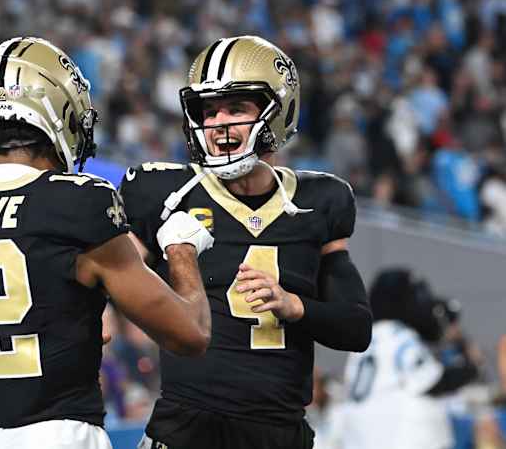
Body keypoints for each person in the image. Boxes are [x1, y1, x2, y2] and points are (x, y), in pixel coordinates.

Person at [0, 37, 214, 449]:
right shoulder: (75, 203)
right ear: (56, 113)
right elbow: (190, 334)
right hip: (60, 434)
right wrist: (182, 251)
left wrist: (68, 328)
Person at [120, 35, 372, 449]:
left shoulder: (318, 201)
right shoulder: (166, 193)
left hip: (279, 433)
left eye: (236, 108)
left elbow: (356, 329)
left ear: (278, 112)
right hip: (186, 430)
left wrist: (294, 305)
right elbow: (111, 282)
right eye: (209, 111)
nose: (219, 123)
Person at [339, 268, 479, 449]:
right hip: (396, 434)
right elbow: (433, 382)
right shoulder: (399, 335)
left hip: (359, 435)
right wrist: (472, 369)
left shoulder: (363, 340)